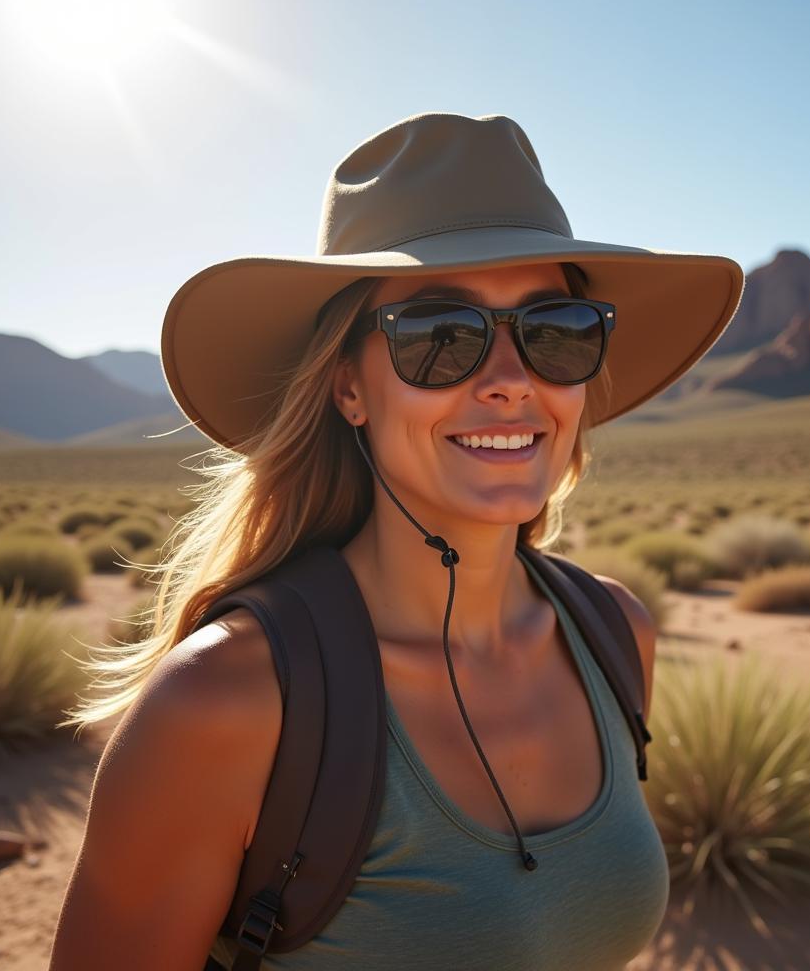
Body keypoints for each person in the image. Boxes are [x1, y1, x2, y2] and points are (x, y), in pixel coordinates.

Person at [48, 111, 744, 970]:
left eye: (554, 333)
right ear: (348, 389)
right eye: (440, 338)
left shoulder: (613, 634)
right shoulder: (225, 704)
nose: (508, 383)